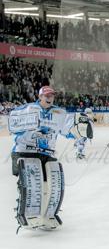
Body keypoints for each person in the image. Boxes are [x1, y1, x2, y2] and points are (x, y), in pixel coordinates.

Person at [8, 86, 75, 231]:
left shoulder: (59, 113)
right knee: (31, 184)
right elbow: (13, 126)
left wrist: (78, 130)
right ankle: (28, 214)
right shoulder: (27, 109)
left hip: (47, 153)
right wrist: (30, 128)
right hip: (25, 151)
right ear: (40, 97)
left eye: (52, 95)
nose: (50, 97)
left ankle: (47, 215)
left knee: (52, 185)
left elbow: (68, 131)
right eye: (47, 95)